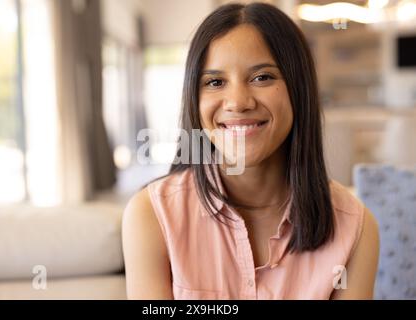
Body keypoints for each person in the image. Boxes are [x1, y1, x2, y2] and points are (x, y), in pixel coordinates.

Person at [122, 2, 379, 300]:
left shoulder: (355, 228)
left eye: (262, 77)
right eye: (215, 82)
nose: (238, 102)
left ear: (298, 88)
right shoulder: (151, 215)